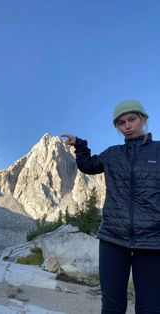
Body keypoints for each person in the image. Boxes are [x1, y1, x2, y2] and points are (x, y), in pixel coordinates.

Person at [61, 100, 160, 314]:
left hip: (152, 240)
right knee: (112, 306)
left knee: (150, 307)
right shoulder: (113, 154)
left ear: (143, 119)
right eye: (121, 122)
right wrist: (80, 144)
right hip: (113, 238)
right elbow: (88, 166)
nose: (127, 125)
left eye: (132, 119)